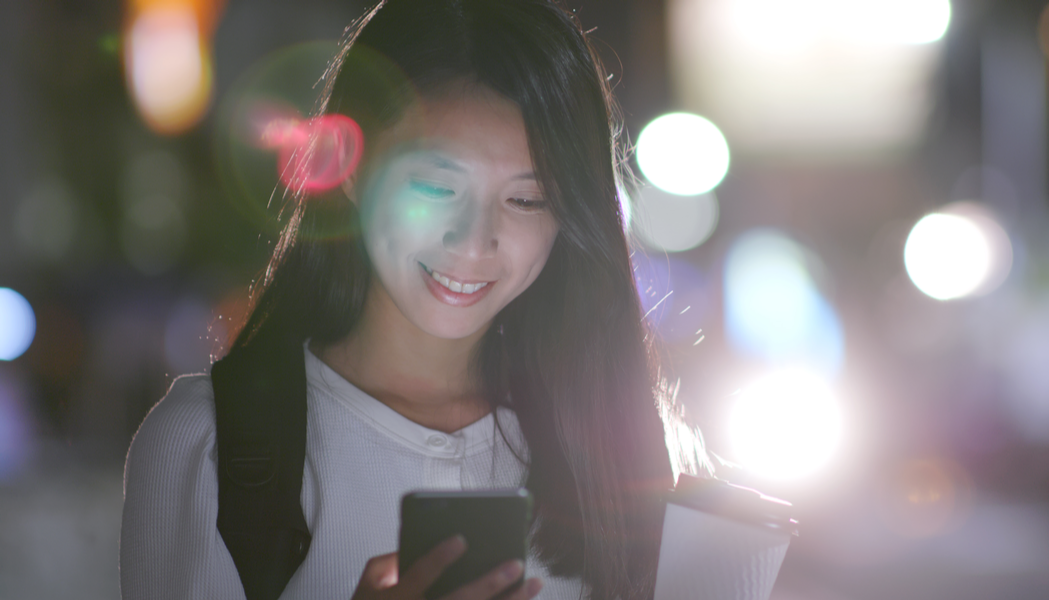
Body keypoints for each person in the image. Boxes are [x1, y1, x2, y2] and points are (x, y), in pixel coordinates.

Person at [120, 1, 707, 599]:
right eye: (433, 185)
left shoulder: (607, 447)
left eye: (527, 201)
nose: (474, 241)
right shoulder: (211, 446)